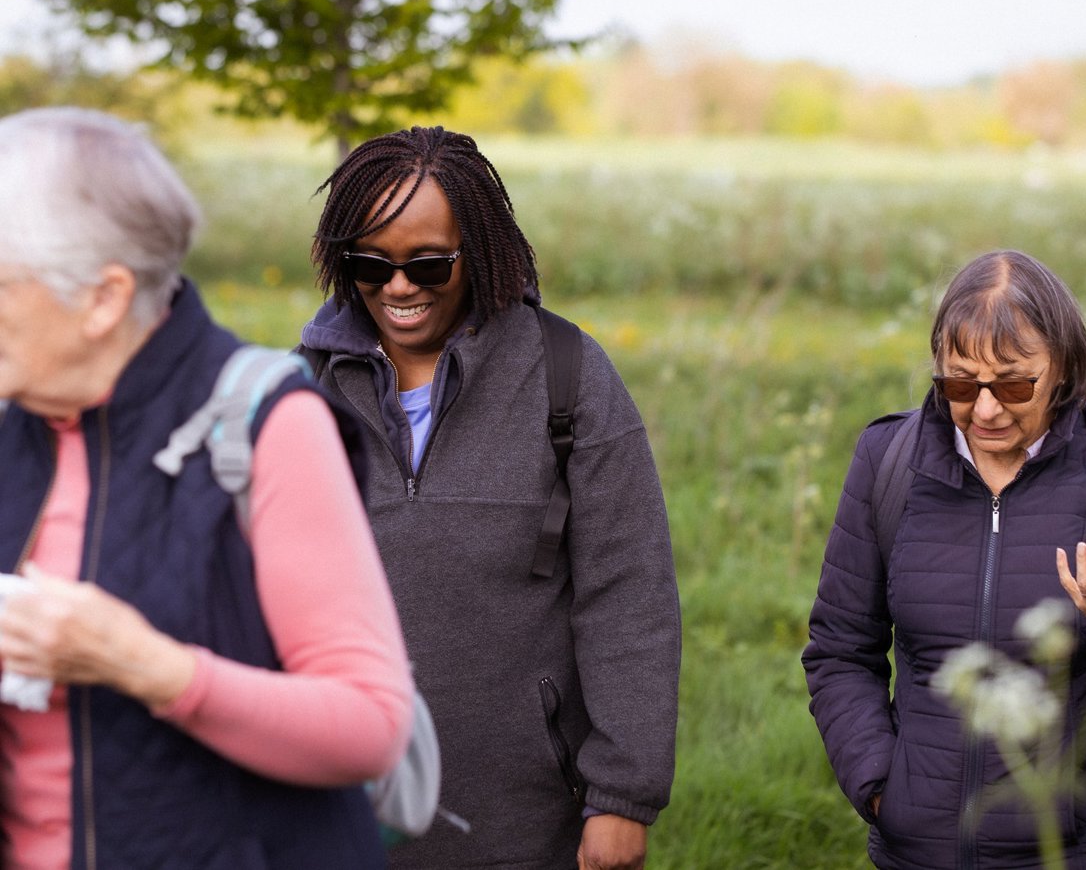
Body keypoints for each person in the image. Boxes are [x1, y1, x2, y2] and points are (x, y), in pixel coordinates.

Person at [0, 107, 414, 869]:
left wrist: (143, 665)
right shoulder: (11, 421)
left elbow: (370, 722)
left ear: (103, 298)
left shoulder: (264, 424)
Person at [298, 125, 681, 870]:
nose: (399, 287)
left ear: (479, 251)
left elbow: (628, 598)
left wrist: (623, 797)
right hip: (340, 815)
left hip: (529, 825)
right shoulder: (299, 392)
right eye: (371, 263)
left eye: (429, 264)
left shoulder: (568, 378)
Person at [803, 249, 1086, 868]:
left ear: (1065, 367)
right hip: (921, 851)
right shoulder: (886, 459)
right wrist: (883, 788)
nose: (985, 409)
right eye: (960, 382)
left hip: (1085, 853)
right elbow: (838, 650)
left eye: (1014, 383)